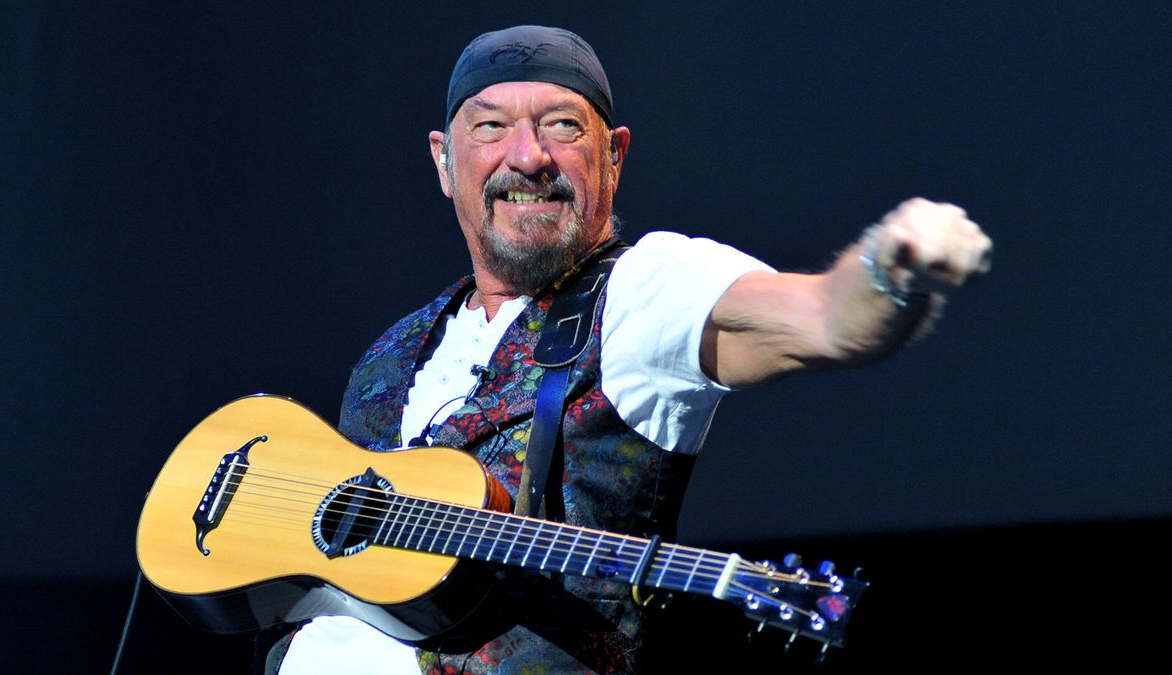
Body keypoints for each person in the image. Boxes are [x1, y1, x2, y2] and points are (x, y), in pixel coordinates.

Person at [272, 24, 993, 675]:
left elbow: (825, 320)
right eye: (490, 126)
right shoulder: (389, 361)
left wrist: (889, 271)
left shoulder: (647, 289)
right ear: (442, 159)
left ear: (613, 158)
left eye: (561, 125)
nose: (527, 156)